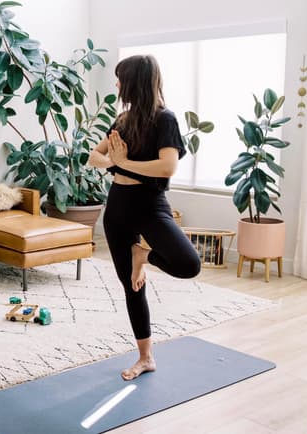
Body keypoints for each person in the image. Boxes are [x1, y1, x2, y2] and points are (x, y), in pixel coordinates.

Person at [88, 55, 201, 381]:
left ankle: (144, 254)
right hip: (118, 206)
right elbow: (94, 156)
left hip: (150, 204)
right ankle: (145, 357)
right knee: (131, 287)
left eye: (121, 78)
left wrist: (122, 164)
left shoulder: (165, 120)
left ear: (134, 82)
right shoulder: (123, 120)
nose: (117, 84)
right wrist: (113, 163)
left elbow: (167, 167)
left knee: (188, 263)